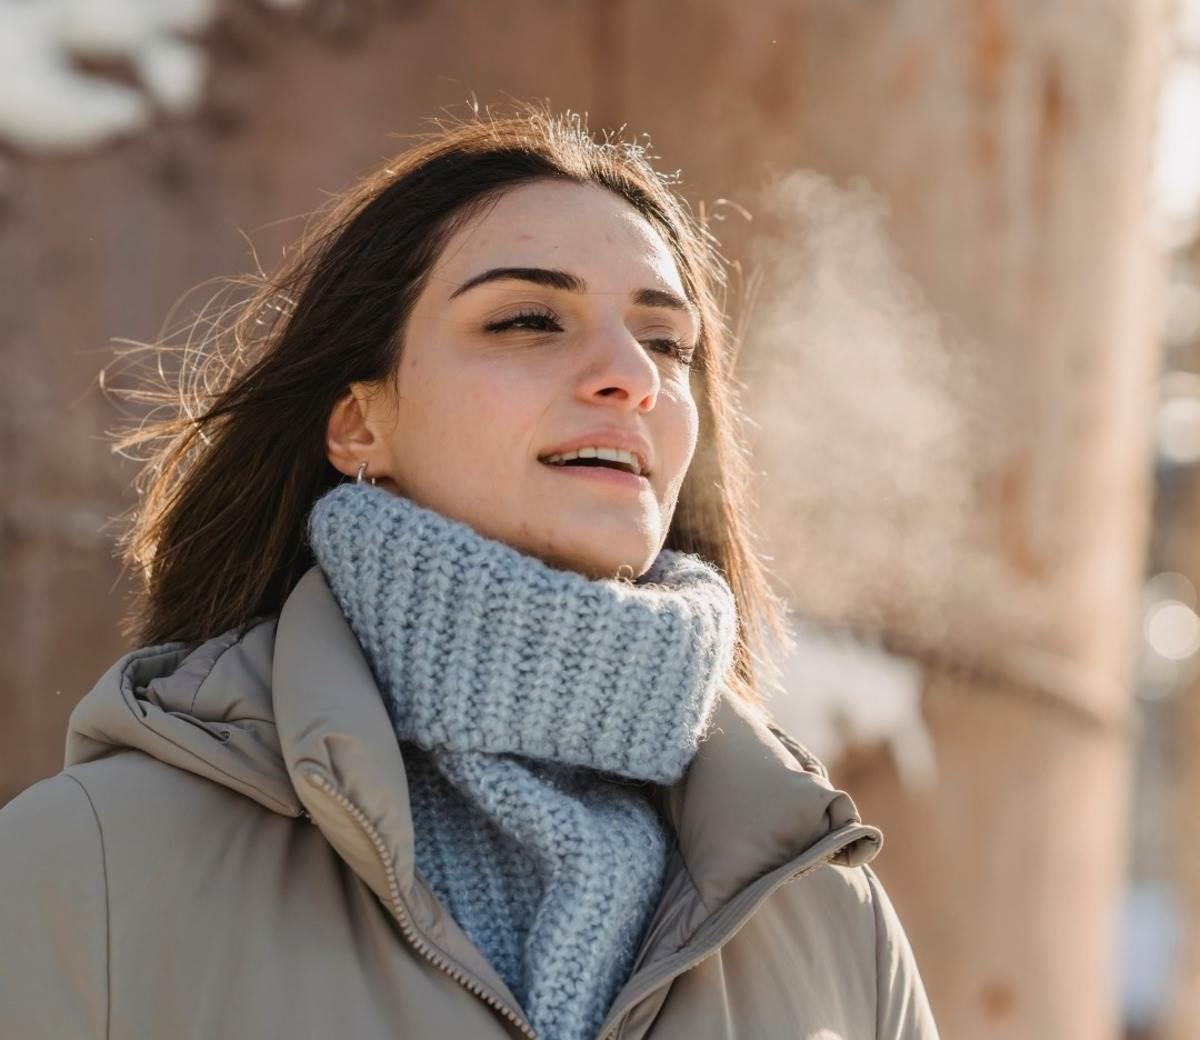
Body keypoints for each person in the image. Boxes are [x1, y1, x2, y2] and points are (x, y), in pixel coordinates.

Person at [0, 105, 939, 1039]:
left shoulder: (831, 925)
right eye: (530, 320)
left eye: (667, 343)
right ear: (360, 421)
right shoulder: (94, 872)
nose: (631, 376)